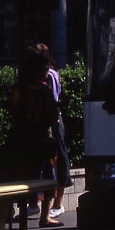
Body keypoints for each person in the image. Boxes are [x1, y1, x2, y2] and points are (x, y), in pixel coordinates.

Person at [13, 45, 64, 228]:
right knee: (48, 177)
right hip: (42, 140)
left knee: (26, 174)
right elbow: (53, 116)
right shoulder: (42, 89)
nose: (46, 72)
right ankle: (45, 216)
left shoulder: (20, 86)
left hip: (23, 138)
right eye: (44, 69)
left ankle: (25, 210)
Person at [34, 44, 73, 218]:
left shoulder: (48, 76)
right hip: (48, 119)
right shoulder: (44, 75)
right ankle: (38, 202)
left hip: (52, 120)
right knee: (47, 159)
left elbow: (52, 100)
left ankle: (58, 203)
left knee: (57, 157)